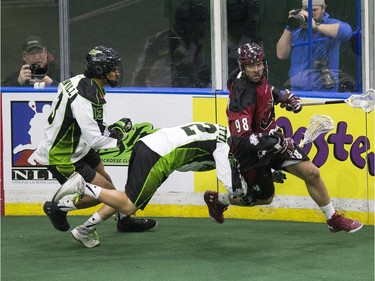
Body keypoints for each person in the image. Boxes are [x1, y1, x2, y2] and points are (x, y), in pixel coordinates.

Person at [212, 42, 362, 233]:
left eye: (259, 64)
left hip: (272, 141)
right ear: (243, 67)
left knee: (311, 172)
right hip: (250, 152)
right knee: (265, 199)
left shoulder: (256, 76)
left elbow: (267, 89)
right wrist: (277, 142)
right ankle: (218, 200)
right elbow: (243, 139)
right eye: (251, 66)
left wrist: (284, 97)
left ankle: (333, 219)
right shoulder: (241, 95)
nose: (257, 69)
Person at [51, 122, 268, 248]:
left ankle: (84, 229)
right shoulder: (226, 147)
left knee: (128, 196)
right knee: (128, 205)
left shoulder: (226, 133)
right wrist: (248, 190)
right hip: (160, 156)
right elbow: (231, 185)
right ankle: (83, 187)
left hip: (151, 146)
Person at [34, 45, 156, 241]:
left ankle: (124, 219)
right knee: (106, 192)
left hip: (79, 146)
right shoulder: (87, 97)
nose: (117, 72)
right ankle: (57, 208)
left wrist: (112, 129)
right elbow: (96, 139)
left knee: (107, 181)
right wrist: (120, 134)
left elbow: (87, 126)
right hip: (64, 156)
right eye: (112, 68)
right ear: (100, 71)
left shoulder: (78, 81)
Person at [276, 0, 353, 91]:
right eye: (307, 10)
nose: (310, 13)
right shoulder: (297, 31)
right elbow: (281, 54)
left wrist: (315, 26)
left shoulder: (330, 24)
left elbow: (347, 33)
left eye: (314, 10)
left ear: (323, 8)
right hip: (297, 90)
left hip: (324, 90)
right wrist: (290, 26)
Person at [130, 0, 210, 87]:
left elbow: (198, 74)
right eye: (200, 22)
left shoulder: (194, 44)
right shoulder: (162, 41)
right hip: (160, 94)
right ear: (188, 23)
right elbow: (142, 76)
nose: (204, 26)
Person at [227, 0, 262, 75]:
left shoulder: (254, 41)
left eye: (254, 22)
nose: (253, 25)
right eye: (249, 21)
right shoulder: (220, 42)